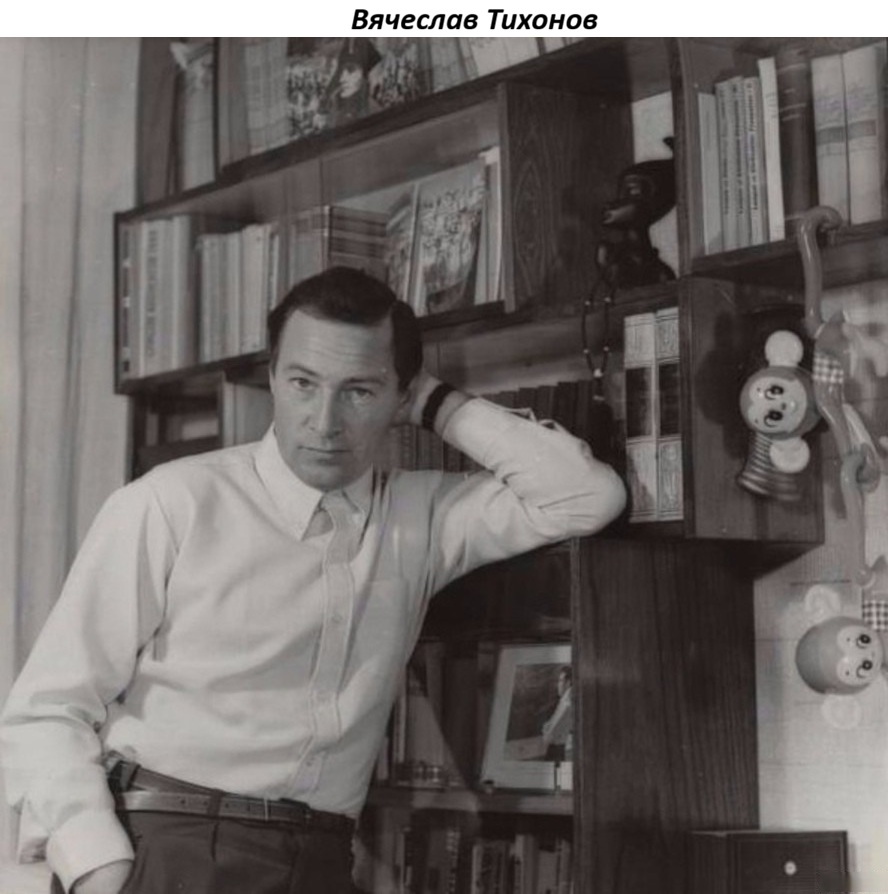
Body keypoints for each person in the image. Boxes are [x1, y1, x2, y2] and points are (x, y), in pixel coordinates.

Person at [0, 266, 626, 894]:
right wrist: (98, 867)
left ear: (399, 398)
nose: (324, 421)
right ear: (273, 378)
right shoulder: (171, 502)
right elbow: (47, 708)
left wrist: (437, 403)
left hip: (321, 859)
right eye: (303, 383)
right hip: (166, 845)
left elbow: (586, 496)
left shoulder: (425, 515)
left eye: (359, 391)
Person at [541, 665, 573, 762]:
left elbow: (552, 731)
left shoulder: (567, 700)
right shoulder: (565, 699)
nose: (558, 685)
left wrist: (547, 730)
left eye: (560, 681)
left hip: (557, 747)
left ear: (568, 682)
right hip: (557, 747)